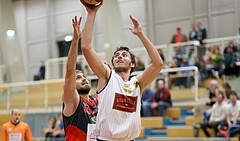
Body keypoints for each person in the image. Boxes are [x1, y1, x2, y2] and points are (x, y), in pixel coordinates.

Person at [80, 1, 164, 140]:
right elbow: (86, 48)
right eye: (116, 55)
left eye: (124, 55)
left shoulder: (137, 83)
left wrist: (141, 34)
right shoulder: (107, 76)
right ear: (112, 63)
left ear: (132, 64)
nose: (119, 56)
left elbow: (158, 64)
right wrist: (91, 14)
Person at [62, 16, 98, 141]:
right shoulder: (73, 101)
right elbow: (69, 72)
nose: (83, 79)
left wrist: (92, 14)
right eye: (78, 78)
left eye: (84, 76)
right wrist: (75, 40)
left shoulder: (96, 100)